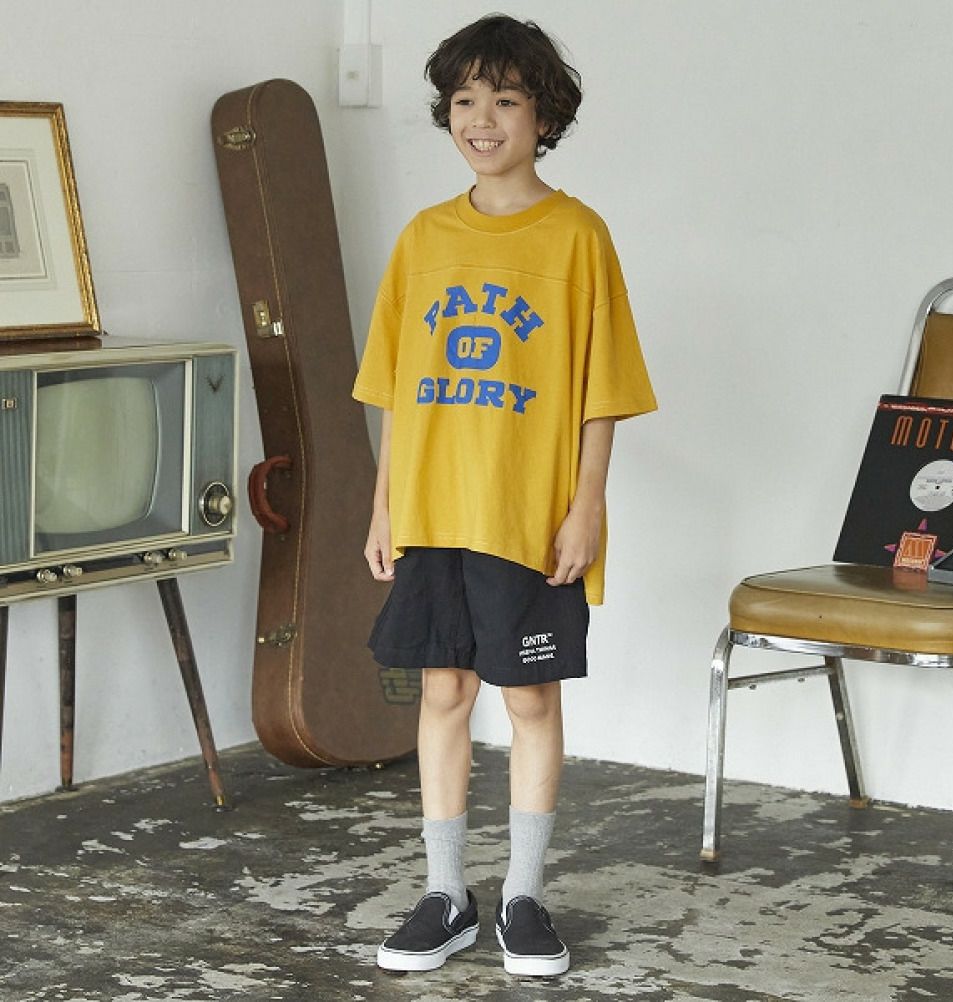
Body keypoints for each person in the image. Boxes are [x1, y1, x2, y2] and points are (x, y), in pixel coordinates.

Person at [352, 13, 657, 978]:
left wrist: (587, 507)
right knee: (443, 689)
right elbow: (394, 390)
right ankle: (446, 895)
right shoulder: (423, 239)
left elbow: (602, 392)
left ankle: (524, 897)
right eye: (465, 100)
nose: (482, 119)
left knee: (528, 695)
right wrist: (384, 506)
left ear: (544, 116)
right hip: (433, 509)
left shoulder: (577, 237)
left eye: (506, 100)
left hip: (527, 513)